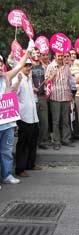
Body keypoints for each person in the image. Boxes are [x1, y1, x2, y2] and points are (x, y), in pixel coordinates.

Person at [0, 41, 34, 186]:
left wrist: (29, 50)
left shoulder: (6, 77)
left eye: (1, 63)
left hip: (6, 122)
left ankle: (7, 175)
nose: (0, 66)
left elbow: (20, 65)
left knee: (6, 151)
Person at [12, 57, 40, 177]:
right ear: (21, 66)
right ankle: (20, 168)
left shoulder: (29, 78)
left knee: (33, 141)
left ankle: (30, 164)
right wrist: (18, 81)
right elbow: (12, 94)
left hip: (33, 116)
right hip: (23, 117)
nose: (28, 68)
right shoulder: (17, 78)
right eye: (26, 65)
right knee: (23, 144)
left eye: (30, 66)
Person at [45, 52, 74, 150]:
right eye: (59, 56)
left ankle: (66, 139)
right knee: (56, 121)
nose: (61, 57)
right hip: (55, 97)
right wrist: (53, 75)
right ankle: (56, 141)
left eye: (62, 56)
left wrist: (70, 95)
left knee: (66, 121)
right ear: (55, 57)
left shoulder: (67, 67)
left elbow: (69, 81)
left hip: (66, 97)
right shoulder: (50, 66)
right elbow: (46, 82)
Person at [31, 48, 49, 149]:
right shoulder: (28, 65)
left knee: (44, 121)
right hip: (32, 97)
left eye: (38, 53)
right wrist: (32, 87)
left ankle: (41, 141)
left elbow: (47, 80)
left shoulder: (44, 67)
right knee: (33, 121)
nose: (36, 54)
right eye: (34, 53)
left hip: (42, 96)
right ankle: (33, 141)